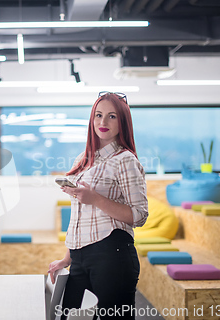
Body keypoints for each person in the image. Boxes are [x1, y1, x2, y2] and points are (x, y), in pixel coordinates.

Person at [48, 92, 148, 320]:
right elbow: (81, 216)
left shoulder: (126, 160)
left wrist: (95, 198)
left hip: (112, 255)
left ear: (122, 121)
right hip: (80, 256)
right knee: (69, 317)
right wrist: (67, 257)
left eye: (112, 116)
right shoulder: (83, 159)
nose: (103, 123)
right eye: (98, 115)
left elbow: (140, 215)